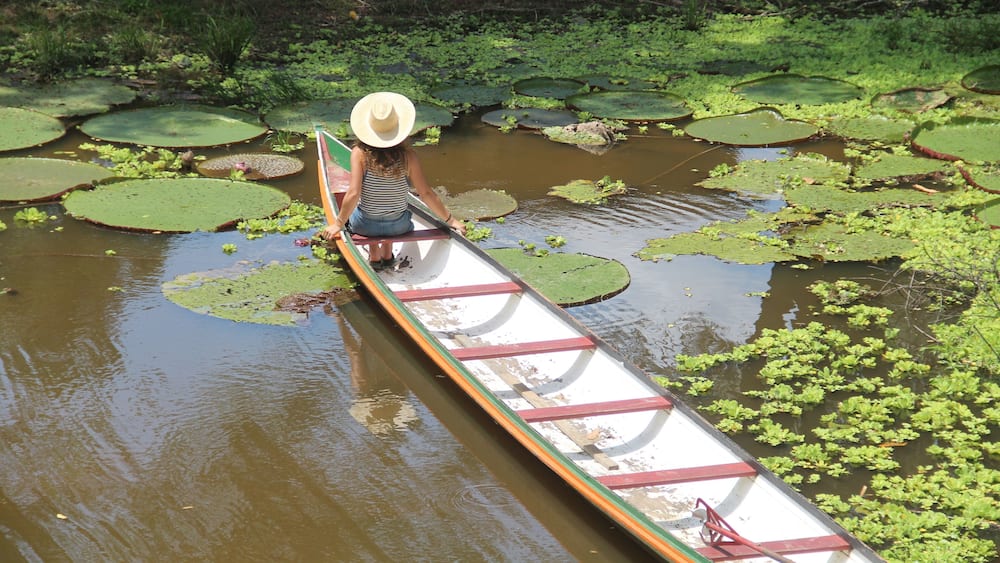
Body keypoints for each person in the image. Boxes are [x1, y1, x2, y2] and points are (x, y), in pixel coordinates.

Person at [320, 91, 466, 269]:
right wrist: (450, 220)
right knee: (396, 210)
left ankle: (374, 255)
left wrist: (338, 223)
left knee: (362, 210)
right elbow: (426, 193)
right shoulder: (408, 156)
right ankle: (387, 254)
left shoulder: (359, 154)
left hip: (365, 226)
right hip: (399, 226)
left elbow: (353, 192)